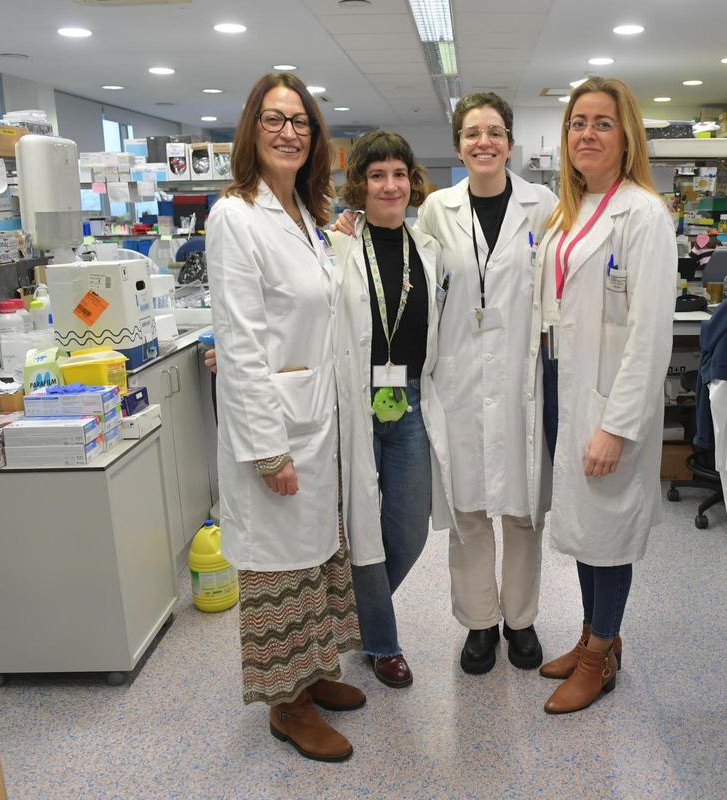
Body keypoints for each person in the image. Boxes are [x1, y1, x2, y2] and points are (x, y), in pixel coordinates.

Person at [206, 72, 364, 763]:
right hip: (277, 428)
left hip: (319, 420)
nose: (288, 132)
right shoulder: (235, 216)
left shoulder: (304, 212)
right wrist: (268, 450)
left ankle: (316, 672)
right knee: (279, 570)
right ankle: (286, 704)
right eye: (274, 119)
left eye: (300, 121)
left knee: (316, 560)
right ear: (252, 129)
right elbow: (239, 344)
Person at [530, 77, 676, 714]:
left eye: (601, 123)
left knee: (609, 529)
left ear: (627, 137)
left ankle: (598, 659)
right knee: (587, 527)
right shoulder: (571, 210)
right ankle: (595, 638)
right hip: (565, 385)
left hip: (610, 397)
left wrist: (617, 425)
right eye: (576, 123)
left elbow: (649, 335)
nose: (586, 134)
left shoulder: (643, 213)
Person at [414, 93, 558, 675]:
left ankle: (520, 620)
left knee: (524, 510)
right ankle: (479, 624)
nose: (484, 142)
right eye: (472, 133)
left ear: (510, 142)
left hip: (525, 379)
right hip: (460, 379)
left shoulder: (543, 205)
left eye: (495, 132)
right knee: (467, 509)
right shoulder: (435, 210)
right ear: (458, 144)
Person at [329, 130, 453, 689]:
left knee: (409, 528)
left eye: (399, 174)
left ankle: (354, 615)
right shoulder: (335, 246)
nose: (390, 185)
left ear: (412, 181)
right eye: (377, 175)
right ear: (360, 183)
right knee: (362, 524)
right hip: (354, 397)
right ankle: (382, 642)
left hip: (409, 396)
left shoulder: (425, 245)